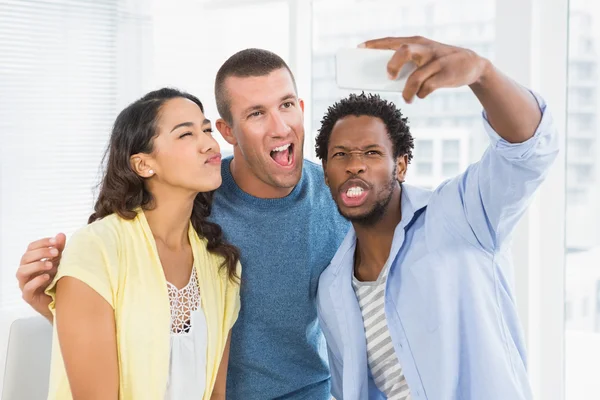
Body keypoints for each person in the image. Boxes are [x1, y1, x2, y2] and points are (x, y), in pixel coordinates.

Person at [16, 35, 554, 399]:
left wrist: (480, 72)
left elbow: (524, 156)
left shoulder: (346, 198)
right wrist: (64, 305)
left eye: (288, 104)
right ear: (226, 132)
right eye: (255, 113)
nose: (280, 127)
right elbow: (140, 292)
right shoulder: (195, 195)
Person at [314, 39, 558, 399]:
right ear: (326, 174)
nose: (355, 165)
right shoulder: (332, 288)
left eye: (371, 152)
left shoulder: (460, 215)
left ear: (400, 165)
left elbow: (529, 151)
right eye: (341, 155)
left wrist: (482, 74)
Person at [42, 88, 241, 399]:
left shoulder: (220, 263)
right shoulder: (95, 251)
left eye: (205, 129)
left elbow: (216, 394)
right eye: (185, 135)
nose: (209, 144)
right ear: (144, 165)